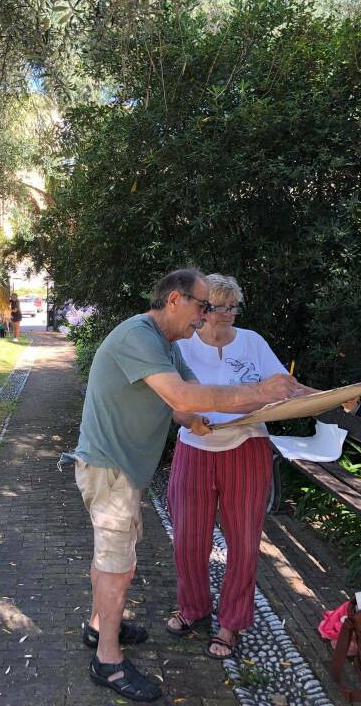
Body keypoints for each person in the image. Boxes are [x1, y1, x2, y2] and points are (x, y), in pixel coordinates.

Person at [61, 268, 302, 702]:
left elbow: (185, 400)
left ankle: (99, 628)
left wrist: (195, 417)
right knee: (116, 565)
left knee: (119, 559)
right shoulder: (138, 335)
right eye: (202, 306)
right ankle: (109, 662)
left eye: (213, 308)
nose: (206, 317)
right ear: (175, 299)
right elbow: (186, 397)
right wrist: (259, 390)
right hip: (109, 467)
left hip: (125, 469)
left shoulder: (164, 346)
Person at [166, 273, 359, 659]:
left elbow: (287, 388)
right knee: (189, 537)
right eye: (219, 307)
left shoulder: (252, 342)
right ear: (201, 309)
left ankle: (231, 623)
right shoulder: (181, 346)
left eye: (233, 307)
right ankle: (194, 608)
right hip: (194, 449)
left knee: (244, 541)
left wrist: (336, 398)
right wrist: (189, 420)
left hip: (247, 448)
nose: (228, 315)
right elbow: (171, 406)